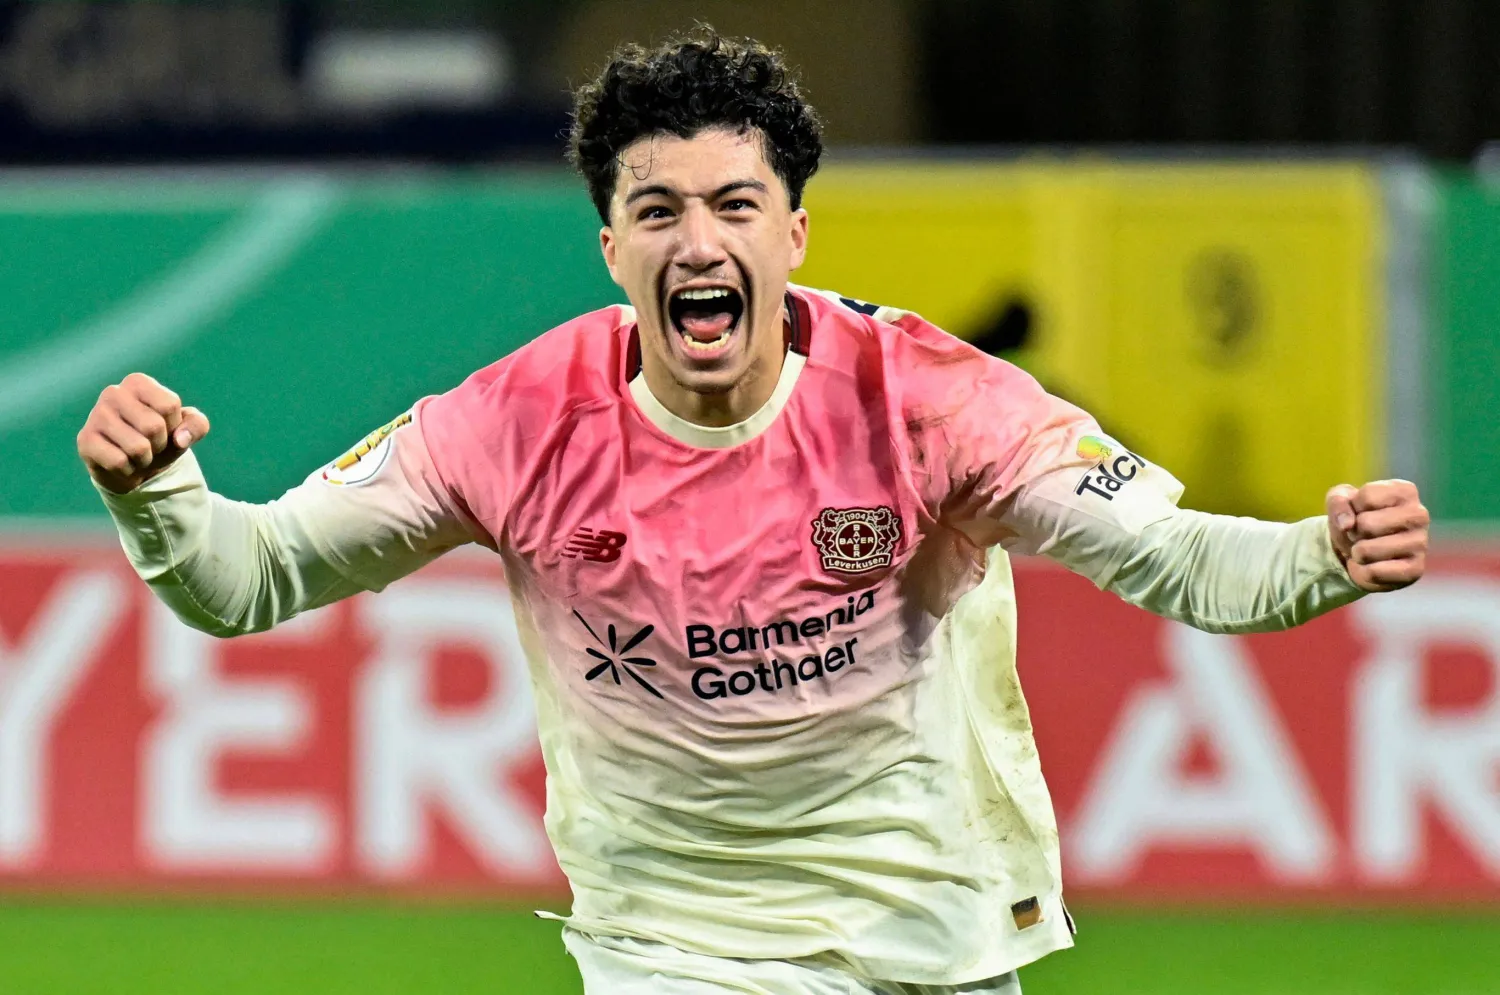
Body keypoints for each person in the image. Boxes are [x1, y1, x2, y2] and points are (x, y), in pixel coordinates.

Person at [76, 28, 1430, 995]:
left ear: (793, 233)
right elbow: (245, 578)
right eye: (653, 209)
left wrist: (1323, 554)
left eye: (734, 201)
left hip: (938, 934)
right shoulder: (511, 420)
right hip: (676, 948)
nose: (695, 239)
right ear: (611, 247)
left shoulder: (925, 399)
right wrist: (162, 496)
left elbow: (1181, 558)